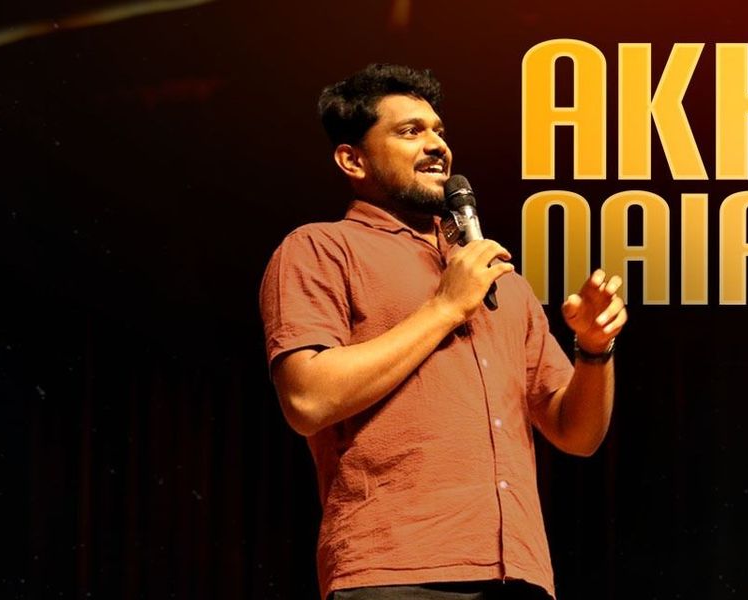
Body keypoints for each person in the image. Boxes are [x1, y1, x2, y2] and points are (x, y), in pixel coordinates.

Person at [258, 64, 625, 600]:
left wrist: (594, 349)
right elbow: (306, 399)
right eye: (410, 131)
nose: (436, 145)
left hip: (519, 575)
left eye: (438, 131)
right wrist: (446, 307)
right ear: (352, 160)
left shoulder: (499, 280)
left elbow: (577, 433)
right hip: (395, 571)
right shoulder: (320, 249)